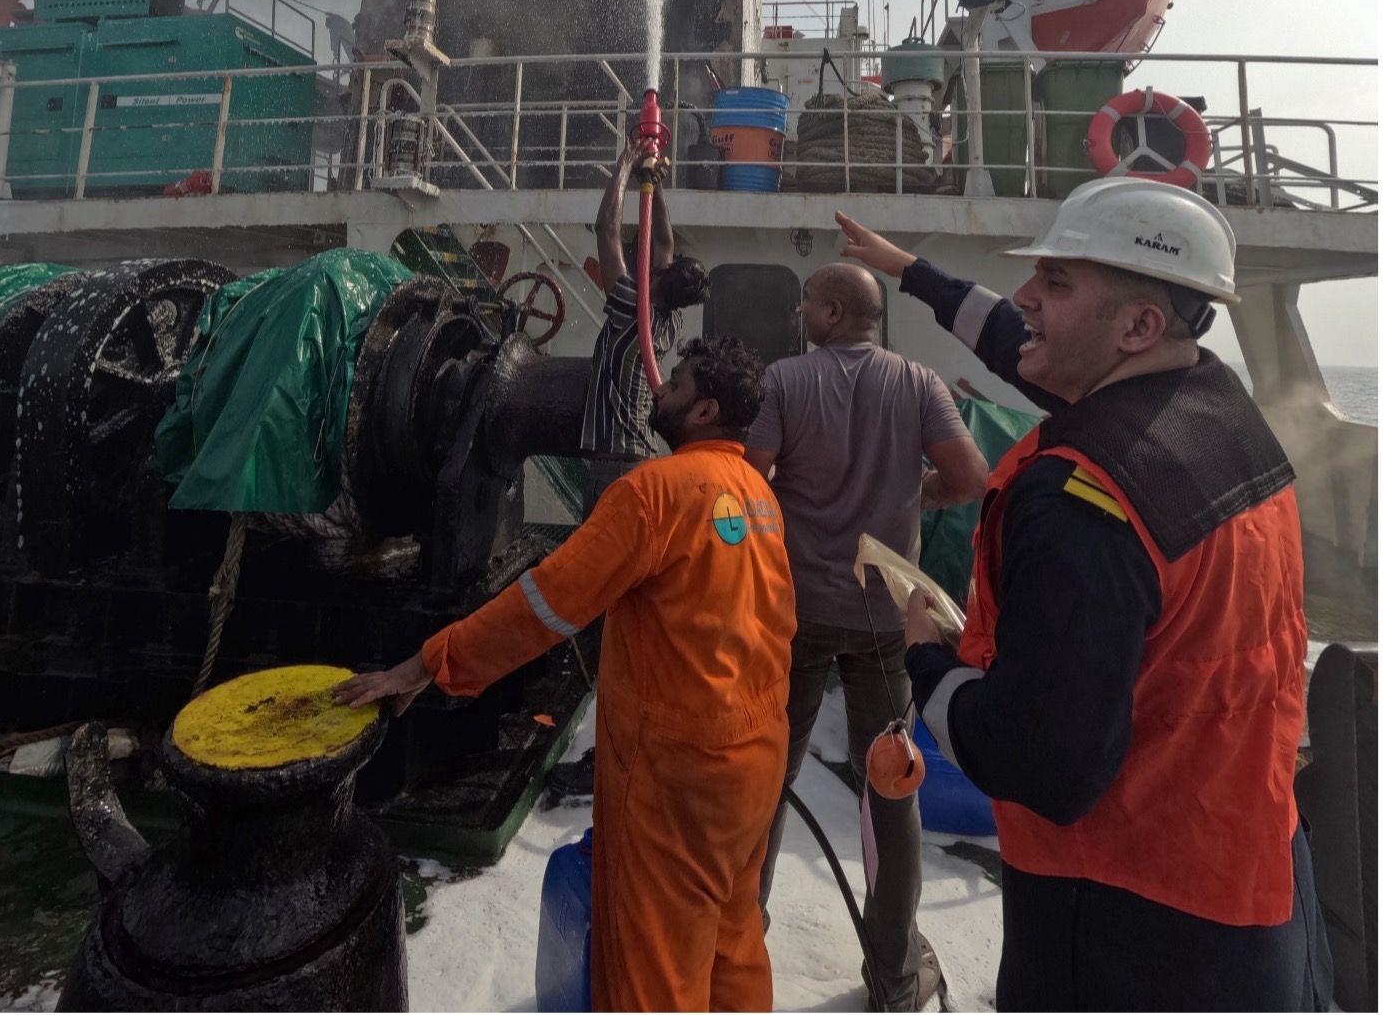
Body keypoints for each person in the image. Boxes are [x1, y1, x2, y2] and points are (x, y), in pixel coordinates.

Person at [836, 180, 1333, 1013]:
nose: (1025, 297)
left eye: (1057, 282)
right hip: (1258, 865)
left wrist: (927, 662)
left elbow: (1044, 763)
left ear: (1137, 326)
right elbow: (1015, 339)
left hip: (1128, 920)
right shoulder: (1217, 408)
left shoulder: (1080, 502)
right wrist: (906, 268)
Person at [334, 336, 795, 1013]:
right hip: (756, 756)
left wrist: (430, 663)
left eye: (676, 383)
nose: (659, 388)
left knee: (655, 967)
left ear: (705, 410)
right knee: (732, 936)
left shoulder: (655, 492)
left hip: (677, 772)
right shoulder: (758, 494)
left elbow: (544, 604)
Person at [744, 261, 989, 1012]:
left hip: (794, 615)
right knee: (891, 786)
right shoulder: (919, 383)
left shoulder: (784, 381)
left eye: (807, 303)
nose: (799, 314)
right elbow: (971, 476)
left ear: (831, 311)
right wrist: (918, 494)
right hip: (884, 621)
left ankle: (737, 943)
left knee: (766, 779)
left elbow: (749, 482)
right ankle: (894, 976)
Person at [581, 135, 708, 474]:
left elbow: (606, 230)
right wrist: (652, 180)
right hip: (641, 451)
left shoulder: (631, 308)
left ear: (662, 273)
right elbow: (664, 241)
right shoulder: (670, 321)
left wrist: (625, 165)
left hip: (614, 456)